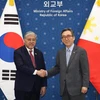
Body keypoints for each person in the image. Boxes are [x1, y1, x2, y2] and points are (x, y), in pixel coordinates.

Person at [37, 28, 89, 100]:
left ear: (73, 38)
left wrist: (85, 85)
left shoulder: (81, 51)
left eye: (68, 36)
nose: (66, 39)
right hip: (64, 89)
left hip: (78, 89)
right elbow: (58, 68)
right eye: (64, 37)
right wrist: (46, 73)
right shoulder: (60, 52)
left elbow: (85, 71)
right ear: (61, 40)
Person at [14, 31, 47, 100]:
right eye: (29, 39)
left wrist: (43, 85)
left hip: (36, 88)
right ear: (24, 40)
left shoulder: (39, 53)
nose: (31, 41)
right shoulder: (18, 52)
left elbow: (43, 69)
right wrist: (36, 72)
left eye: (33, 40)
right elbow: (21, 66)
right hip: (22, 88)